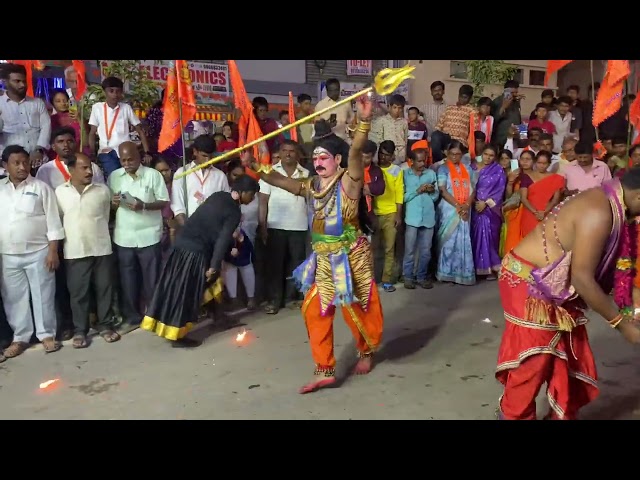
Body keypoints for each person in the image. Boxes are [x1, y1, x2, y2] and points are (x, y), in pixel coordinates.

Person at [254, 95, 384, 394]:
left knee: (357, 310)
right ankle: (324, 368)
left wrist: (364, 121)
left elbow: (355, 152)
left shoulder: (349, 181)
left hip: (352, 257)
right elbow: (286, 183)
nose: (318, 162)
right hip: (324, 258)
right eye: (315, 158)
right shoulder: (313, 185)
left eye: (324, 157)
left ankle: (366, 351)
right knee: (314, 309)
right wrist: (258, 169)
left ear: (337, 161)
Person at [496, 170, 640, 420]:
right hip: (528, 284)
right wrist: (622, 325)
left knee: (567, 354)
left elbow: (613, 271)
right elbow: (582, 279)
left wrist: (631, 301)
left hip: (555, 287)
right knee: (535, 359)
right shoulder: (599, 211)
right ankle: (513, 416)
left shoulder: (615, 206)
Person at [141, 175, 259, 348]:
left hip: (182, 245)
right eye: (252, 194)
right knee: (186, 292)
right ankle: (176, 335)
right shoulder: (234, 212)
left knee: (211, 284)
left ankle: (219, 318)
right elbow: (223, 239)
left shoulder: (218, 195)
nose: (253, 198)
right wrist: (214, 265)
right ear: (243, 192)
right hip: (195, 252)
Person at [0, 145, 64, 357]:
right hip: (8, 254)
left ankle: (46, 334)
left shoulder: (41, 187)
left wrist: (53, 251)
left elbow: (53, 222)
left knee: (43, 294)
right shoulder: (0, 190)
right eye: (16, 163)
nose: (22, 167)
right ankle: (20, 338)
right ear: (5, 166)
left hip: (39, 252)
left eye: (25, 162)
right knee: (13, 298)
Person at [55, 154, 121, 347]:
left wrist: (115, 206)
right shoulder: (60, 192)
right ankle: (80, 331)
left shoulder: (102, 190)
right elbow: (57, 220)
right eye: (83, 168)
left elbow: (109, 216)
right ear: (71, 170)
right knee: (78, 293)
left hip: (101, 248)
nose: (89, 171)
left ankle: (106, 326)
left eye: (90, 167)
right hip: (74, 250)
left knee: (104, 290)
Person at [435, 140, 476, 286]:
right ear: (447, 153)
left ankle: (462, 274)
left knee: (463, 240)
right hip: (449, 208)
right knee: (449, 240)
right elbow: (442, 190)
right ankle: (446, 273)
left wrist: (466, 205)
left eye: (458, 154)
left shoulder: (468, 169)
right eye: (452, 154)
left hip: (465, 208)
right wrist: (458, 206)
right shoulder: (443, 169)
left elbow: (473, 189)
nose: (455, 157)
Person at [471, 145, 507, 279]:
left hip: (489, 209)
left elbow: (499, 191)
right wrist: (474, 202)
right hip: (473, 206)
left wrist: (485, 203)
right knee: (474, 236)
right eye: (486, 154)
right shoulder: (472, 167)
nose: (488, 157)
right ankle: (476, 267)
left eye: (491, 155)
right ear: (481, 153)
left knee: (487, 233)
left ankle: (490, 267)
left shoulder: (498, 170)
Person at [519, 151, 565, 238]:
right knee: (529, 241)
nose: (541, 165)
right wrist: (535, 212)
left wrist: (544, 212)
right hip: (529, 214)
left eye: (544, 163)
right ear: (535, 162)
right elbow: (523, 198)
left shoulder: (556, 178)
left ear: (549, 164)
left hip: (548, 213)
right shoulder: (526, 176)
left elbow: (555, 200)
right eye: (539, 163)